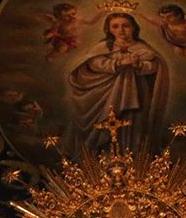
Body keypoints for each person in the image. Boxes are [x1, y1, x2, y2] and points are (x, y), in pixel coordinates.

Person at [66, 11, 170, 155]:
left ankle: (132, 157)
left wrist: (139, 65)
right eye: (115, 26)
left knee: (133, 124)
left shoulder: (143, 48)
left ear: (133, 27)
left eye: (125, 26)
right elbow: (94, 64)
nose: (120, 30)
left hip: (137, 95)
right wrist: (120, 62)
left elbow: (155, 67)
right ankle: (105, 158)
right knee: (108, 124)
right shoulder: (103, 47)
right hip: (107, 95)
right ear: (109, 29)